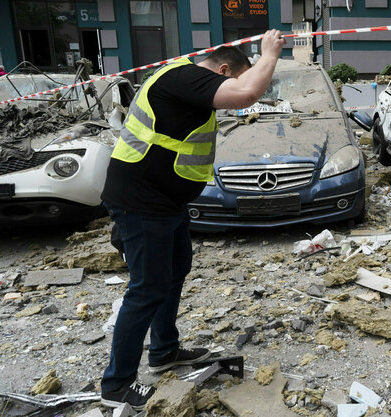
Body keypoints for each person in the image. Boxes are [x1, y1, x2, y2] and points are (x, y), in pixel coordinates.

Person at [98, 31, 285, 410]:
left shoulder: (189, 78)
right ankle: (117, 382)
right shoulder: (184, 77)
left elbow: (244, 89)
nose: (235, 85)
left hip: (166, 202)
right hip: (142, 201)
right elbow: (246, 95)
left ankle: (164, 350)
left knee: (176, 269)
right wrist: (270, 54)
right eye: (235, 77)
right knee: (147, 288)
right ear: (222, 69)